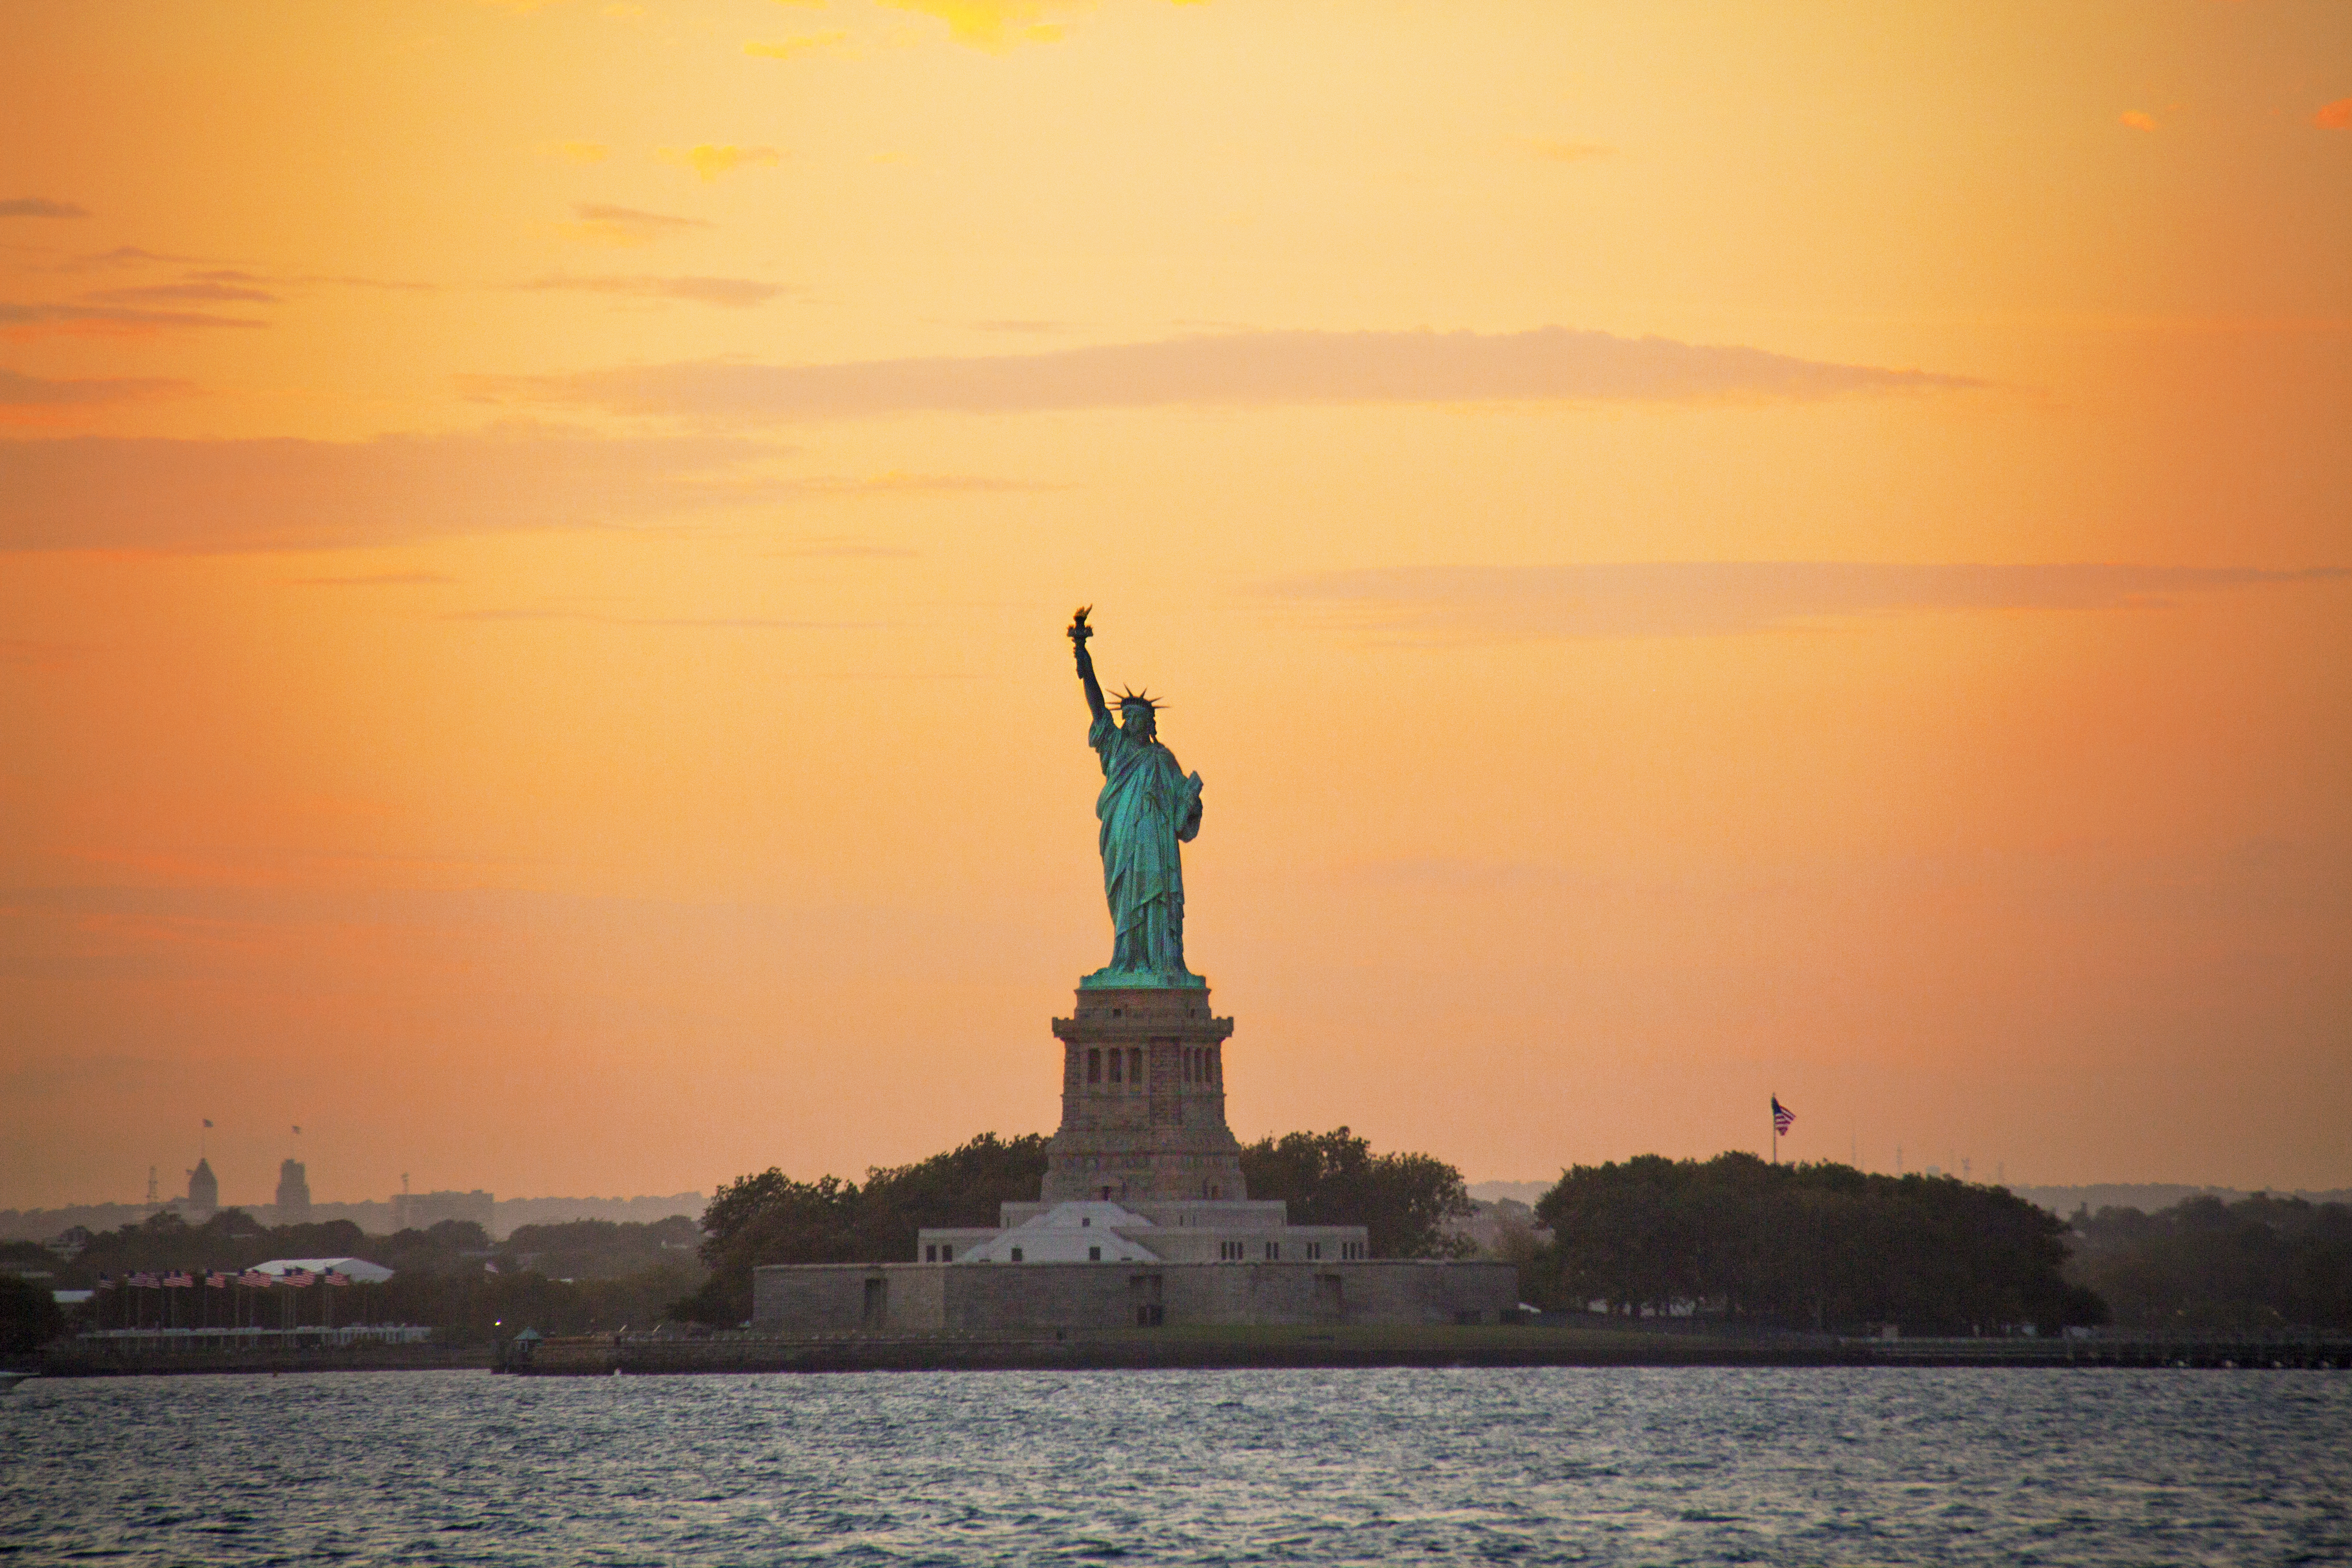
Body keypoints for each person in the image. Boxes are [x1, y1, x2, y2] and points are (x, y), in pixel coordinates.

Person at [1068, 608, 1203, 981]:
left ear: (1149, 724)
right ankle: (1128, 958)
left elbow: (1182, 815)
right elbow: (1097, 708)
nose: (1128, 722)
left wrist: (1192, 801)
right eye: (1125, 717)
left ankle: (1159, 961)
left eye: (1135, 718)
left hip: (1155, 842)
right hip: (1123, 837)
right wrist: (1083, 658)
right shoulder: (1116, 748)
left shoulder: (1163, 759)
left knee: (1156, 898)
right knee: (1126, 897)